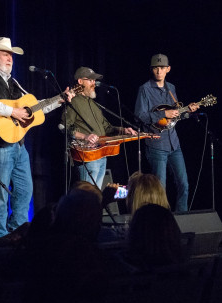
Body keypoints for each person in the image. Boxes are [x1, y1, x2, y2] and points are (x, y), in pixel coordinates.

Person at [0, 37, 73, 238]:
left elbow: (35, 106)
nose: (10, 58)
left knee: (24, 191)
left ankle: (18, 234)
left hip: (18, 145)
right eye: (5, 54)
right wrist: (12, 111)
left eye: (11, 55)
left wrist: (59, 100)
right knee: (0, 195)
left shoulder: (14, 82)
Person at [134, 54, 199, 212]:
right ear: (152, 70)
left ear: (168, 69)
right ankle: (160, 221)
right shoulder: (145, 89)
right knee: (160, 188)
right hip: (156, 144)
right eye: (155, 68)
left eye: (162, 68)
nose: (158, 71)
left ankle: (181, 220)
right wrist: (163, 114)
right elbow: (139, 116)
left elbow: (175, 116)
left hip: (174, 143)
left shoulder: (171, 88)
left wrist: (187, 111)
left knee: (184, 184)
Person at [62, 66, 137, 189]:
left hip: (101, 154)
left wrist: (123, 130)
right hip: (88, 156)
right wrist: (85, 136)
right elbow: (65, 127)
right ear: (80, 81)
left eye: (94, 80)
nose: (94, 83)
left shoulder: (93, 103)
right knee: (87, 196)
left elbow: (107, 128)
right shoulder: (73, 102)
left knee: (97, 194)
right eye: (90, 80)